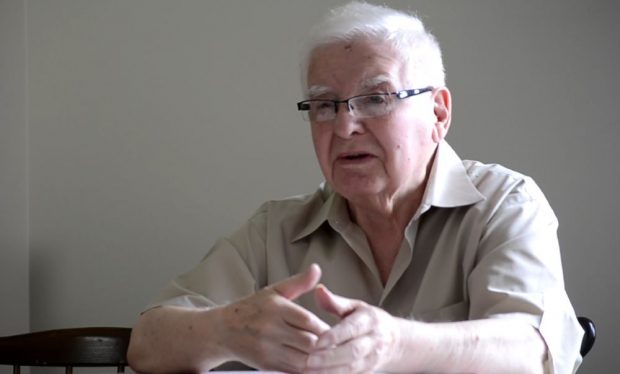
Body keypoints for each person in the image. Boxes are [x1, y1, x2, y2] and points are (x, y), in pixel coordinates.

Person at [127, 2, 583, 373]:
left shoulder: (504, 202)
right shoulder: (276, 230)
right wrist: (225, 329)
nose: (344, 126)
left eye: (377, 98)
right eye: (324, 104)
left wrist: (394, 344)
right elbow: (146, 344)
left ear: (438, 114)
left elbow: (530, 351)